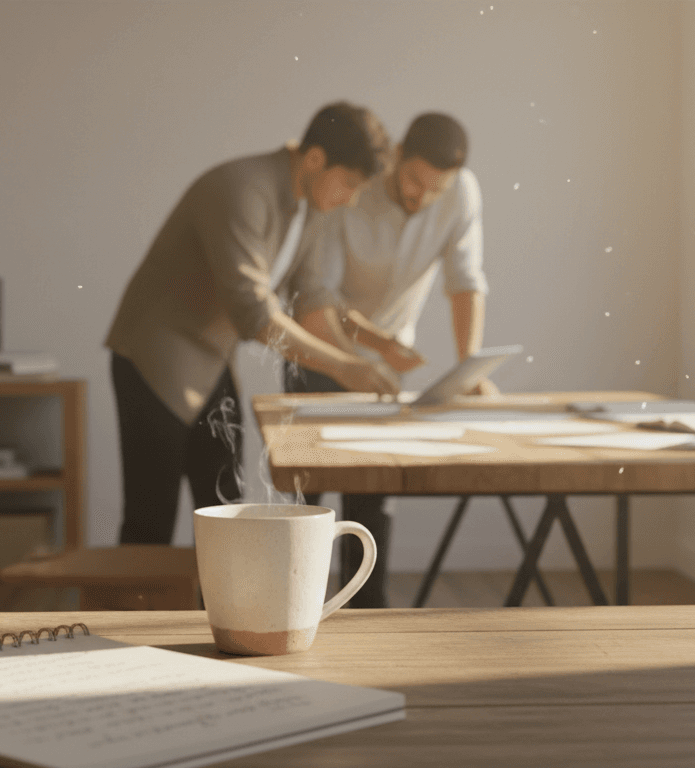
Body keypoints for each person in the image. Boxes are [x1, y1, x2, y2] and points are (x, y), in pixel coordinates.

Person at [105, 102, 400, 545]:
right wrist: (344, 367)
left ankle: (223, 615)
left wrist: (356, 364)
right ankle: (137, 618)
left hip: (210, 362)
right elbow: (256, 316)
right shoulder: (241, 190)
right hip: (154, 359)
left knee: (227, 511)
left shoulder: (312, 205)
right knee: (151, 520)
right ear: (317, 160)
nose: (352, 198)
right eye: (351, 184)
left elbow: (312, 298)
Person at [283, 112, 494, 607]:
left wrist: (470, 366)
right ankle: (294, 611)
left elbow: (466, 281)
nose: (423, 198)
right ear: (398, 155)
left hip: (380, 366)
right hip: (319, 348)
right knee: (306, 502)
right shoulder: (353, 185)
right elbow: (318, 295)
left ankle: (366, 619)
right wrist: (366, 353)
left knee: (372, 498)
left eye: (436, 190)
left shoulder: (461, 192)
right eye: (414, 182)